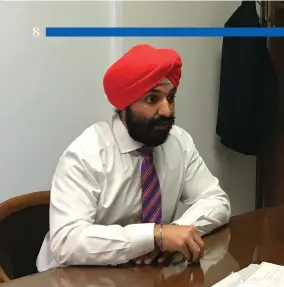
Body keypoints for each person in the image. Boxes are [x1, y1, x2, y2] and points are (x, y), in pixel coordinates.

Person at [36, 44, 231, 272]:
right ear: (123, 106)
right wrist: (154, 235)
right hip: (70, 285)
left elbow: (217, 200)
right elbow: (67, 242)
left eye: (170, 97)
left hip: (142, 281)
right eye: (152, 99)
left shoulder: (179, 143)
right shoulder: (85, 155)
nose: (167, 111)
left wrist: (175, 232)